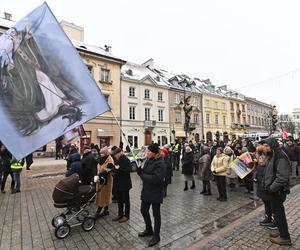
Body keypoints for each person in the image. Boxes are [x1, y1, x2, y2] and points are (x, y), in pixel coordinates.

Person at [262, 138, 292, 246]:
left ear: (272, 145)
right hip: (274, 191)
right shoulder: (274, 155)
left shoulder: (280, 156)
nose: (265, 148)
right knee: (277, 213)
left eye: (267, 146)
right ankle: (281, 231)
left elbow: (282, 178)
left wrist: (271, 188)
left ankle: (285, 237)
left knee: (279, 214)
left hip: (277, 191)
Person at [137, 143, 166, 247]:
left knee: (156, 215)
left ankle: (156, 236)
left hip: (155, 192)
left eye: (149, 151)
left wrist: (142, 175)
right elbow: (145, 172)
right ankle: (149, 229)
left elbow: (156, 178)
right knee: (143, 210)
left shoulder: (160, 163)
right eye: (147, 151)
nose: (147, 153)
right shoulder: (148, 160)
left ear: (154, 153)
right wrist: (140, 170)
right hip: (146, 191)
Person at [254, 143, 273, 227]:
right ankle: (267, 217)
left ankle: (272, 219)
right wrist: (255, 177)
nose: (260, 157)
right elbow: (257, 171)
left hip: (267, 187)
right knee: (266, 203)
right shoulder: (259, 164)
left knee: (270, 204)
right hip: (261, 187)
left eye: (262, 155)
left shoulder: (269, 163)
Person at [111, 147, 132, 223]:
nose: (115, 157)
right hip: (118, 182)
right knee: (119, 200)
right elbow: (115, 168)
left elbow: (128, 170)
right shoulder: (117, 160)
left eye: (116, 155)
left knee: (126, 201)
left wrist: (119, 169)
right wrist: (111, 170)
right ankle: (120, 214)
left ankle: (126, 215)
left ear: (119, 153)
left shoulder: (126, 160)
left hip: (125, 183)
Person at [95, 146, 114, 218]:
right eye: (100, 153)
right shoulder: (101, 159)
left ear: (106, 153)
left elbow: (110, 169)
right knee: (101, 196)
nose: (101, 155)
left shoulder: (110, 160)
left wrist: (102, 173)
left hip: (106, 181)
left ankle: (98, 211)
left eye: (102, 153)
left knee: (103, 196)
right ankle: (106, 210)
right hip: (100, 180)